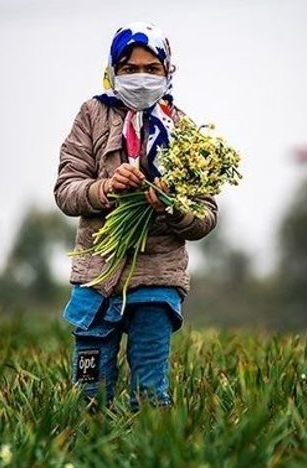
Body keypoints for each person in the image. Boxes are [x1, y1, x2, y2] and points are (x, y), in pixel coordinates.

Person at [53, 21, 218, 410]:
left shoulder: (183, 129)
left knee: (149, 394)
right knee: (89, 393)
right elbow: (65, 190)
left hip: (157, 280)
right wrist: (107, 188)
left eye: (151, 69)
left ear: (167, 72)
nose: (140, 78)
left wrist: (170, 205)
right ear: (112, 72)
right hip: (97, 280)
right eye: (129, 69)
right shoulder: (92, 115)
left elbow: (206, 215)